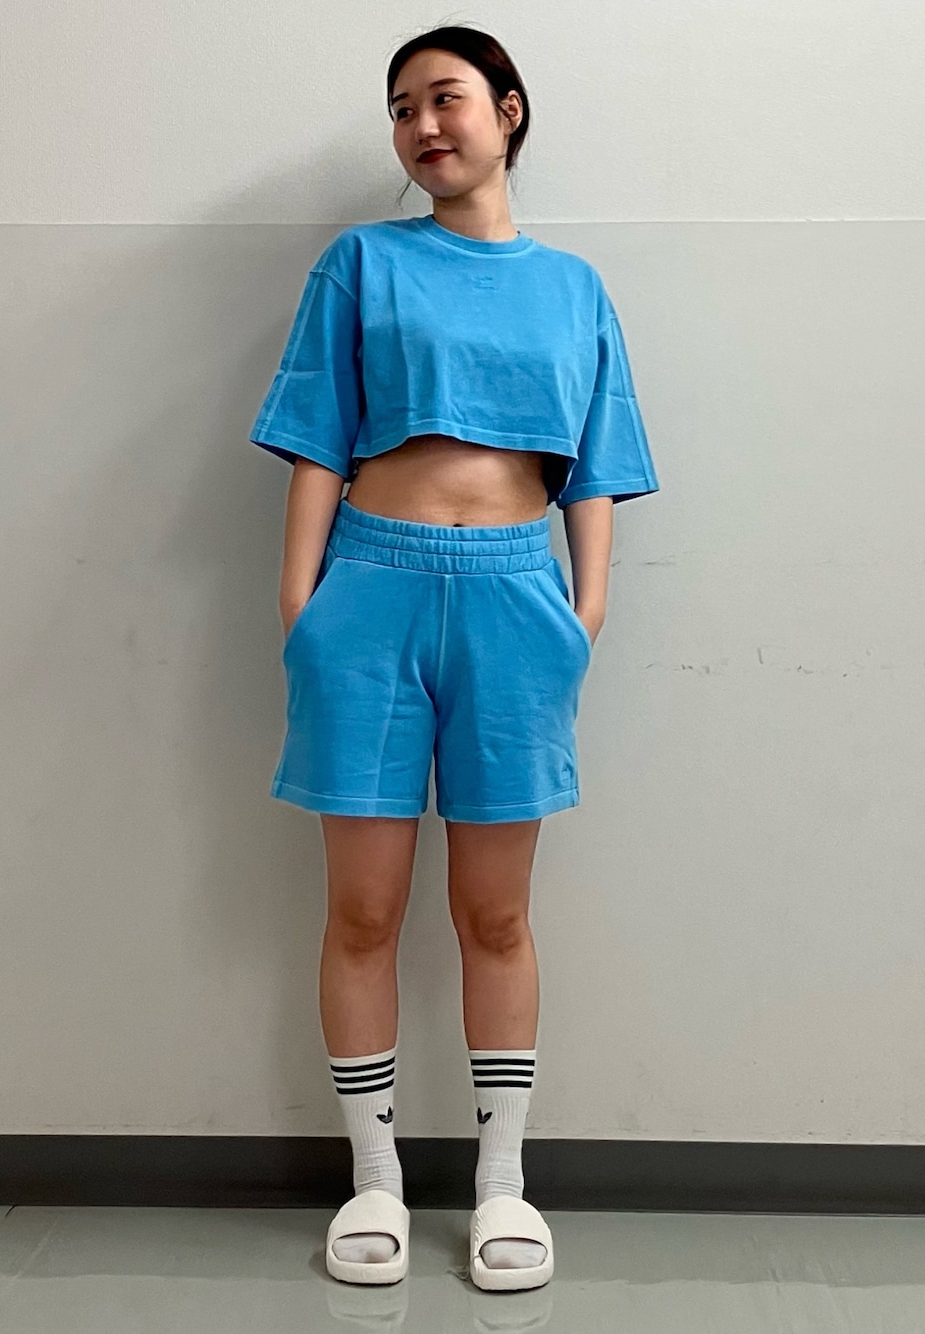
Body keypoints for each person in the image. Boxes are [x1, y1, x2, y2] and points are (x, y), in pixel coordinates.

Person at [247, 24, 660, 1291]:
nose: (423, 126)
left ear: (507, 110)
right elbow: (317, 437)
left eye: (446, 98)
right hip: (368, 590)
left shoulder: (573, 287)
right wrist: (302, 604)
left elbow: (596, 464)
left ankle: (500, 1184)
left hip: (516, 602)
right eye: (401, 108)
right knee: (363, 908)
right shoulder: (361, 263)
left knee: (495, 911)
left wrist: (585, 607)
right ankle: (373, 1174)